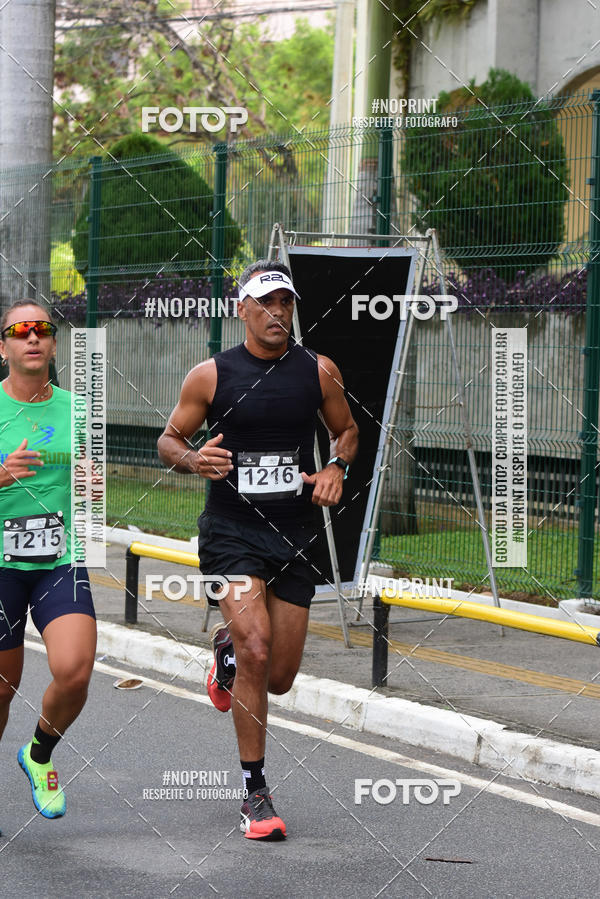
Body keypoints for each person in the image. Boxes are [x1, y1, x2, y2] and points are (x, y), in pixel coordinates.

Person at [158, 260, 358, 840]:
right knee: (257, 643)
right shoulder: (210, 376)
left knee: (278, 677)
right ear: (241, 308)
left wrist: (336, 467)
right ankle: (255, 793)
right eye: (266, 303)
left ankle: (227, 657)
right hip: (230, 534)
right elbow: (169, 439)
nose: (278, 314)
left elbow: (347, 430)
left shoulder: (318, 371)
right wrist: (196, 459)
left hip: (295, 534)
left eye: (287, 303)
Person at [0, 300, 97, 828]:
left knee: (75, 670)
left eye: (43, 329)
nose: (32, 337)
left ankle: (38, 754)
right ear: (4, 347)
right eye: (20, 330)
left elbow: (88, 489)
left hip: (58, 556)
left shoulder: (78, 410)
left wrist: (90, 484)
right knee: (1, 686)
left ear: (54, 345)